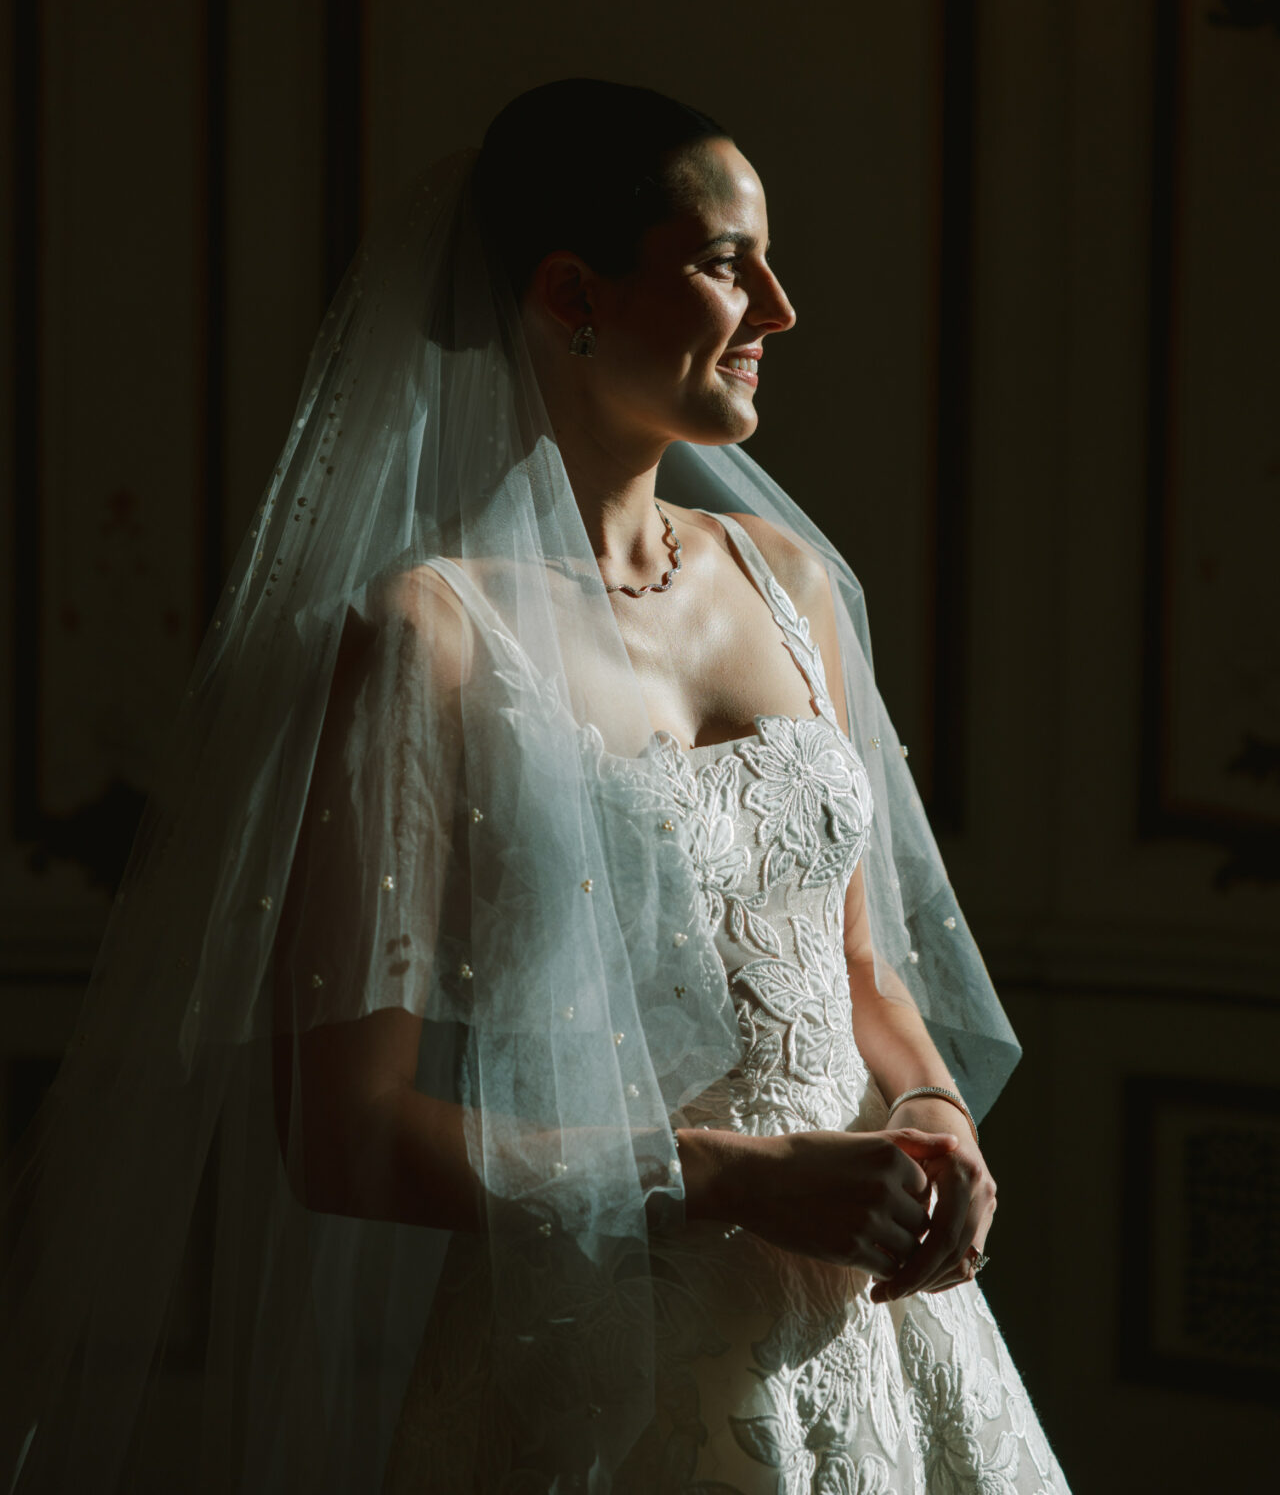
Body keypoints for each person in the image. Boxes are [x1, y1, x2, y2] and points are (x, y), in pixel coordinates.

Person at [1, 80, 1069, 1493]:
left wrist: (933, 1110)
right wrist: (745, 1179)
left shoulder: (793, 585)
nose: (781, 308)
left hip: (878, 1341)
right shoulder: (433, 640)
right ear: (573, 291)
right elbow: (348, 1141)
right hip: (609, 1368)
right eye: (724, 262)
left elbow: (862, 966)